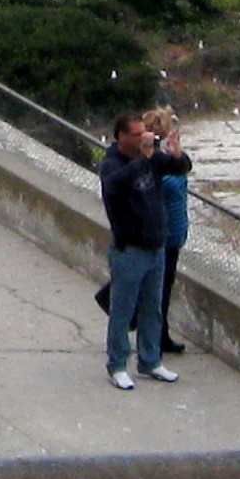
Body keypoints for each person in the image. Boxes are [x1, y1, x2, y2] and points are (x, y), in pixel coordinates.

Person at [97, 110, 192, 389]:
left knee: (153, 307)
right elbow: (116, 185)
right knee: (123, 309)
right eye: (137, 135)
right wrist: (145, 158)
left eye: (144, 134)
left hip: (156, 247)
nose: (143, 139)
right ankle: (117, 364)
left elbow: (180, 169)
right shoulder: (112, 164)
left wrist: (176, 154)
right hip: (130, 249)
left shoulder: (151, 159)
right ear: (122, 137)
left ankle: (150, 360)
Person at [147, 104, 190, 354]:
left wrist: (177, 154)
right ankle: (155, 338)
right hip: (164, 233)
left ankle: (160, 335)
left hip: (174, 232)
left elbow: (185, 166)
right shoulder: (155, 163)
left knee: (164, 287)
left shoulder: (169, 159)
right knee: (158, 289)